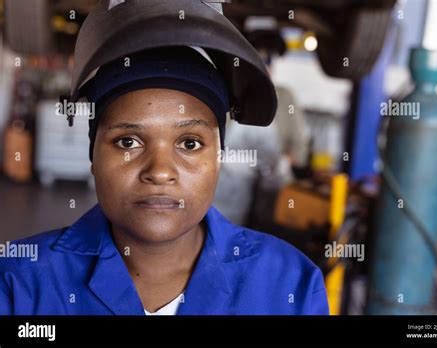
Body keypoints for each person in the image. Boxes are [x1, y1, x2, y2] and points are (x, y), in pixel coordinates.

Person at [0, 0, 328, 315]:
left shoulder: (290, 286)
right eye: (128, 141)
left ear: (219, 158)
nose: (159, 172)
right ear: (93, 154)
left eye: (189, 144)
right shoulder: (18, 283)